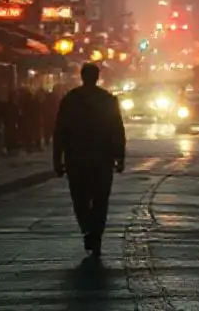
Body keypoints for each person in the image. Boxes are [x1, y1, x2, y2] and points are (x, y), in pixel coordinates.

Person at [53, 63, 125, 257]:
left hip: (76, 158)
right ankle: (96, 233)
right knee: (100, 200)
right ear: (97, 77)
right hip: (101, 158)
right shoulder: (107, 100)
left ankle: (87, 228)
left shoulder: (71, 99)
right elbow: (117, 129)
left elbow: (60, 131)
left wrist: (57, 159)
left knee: (80, 198)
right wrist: (120, 157)